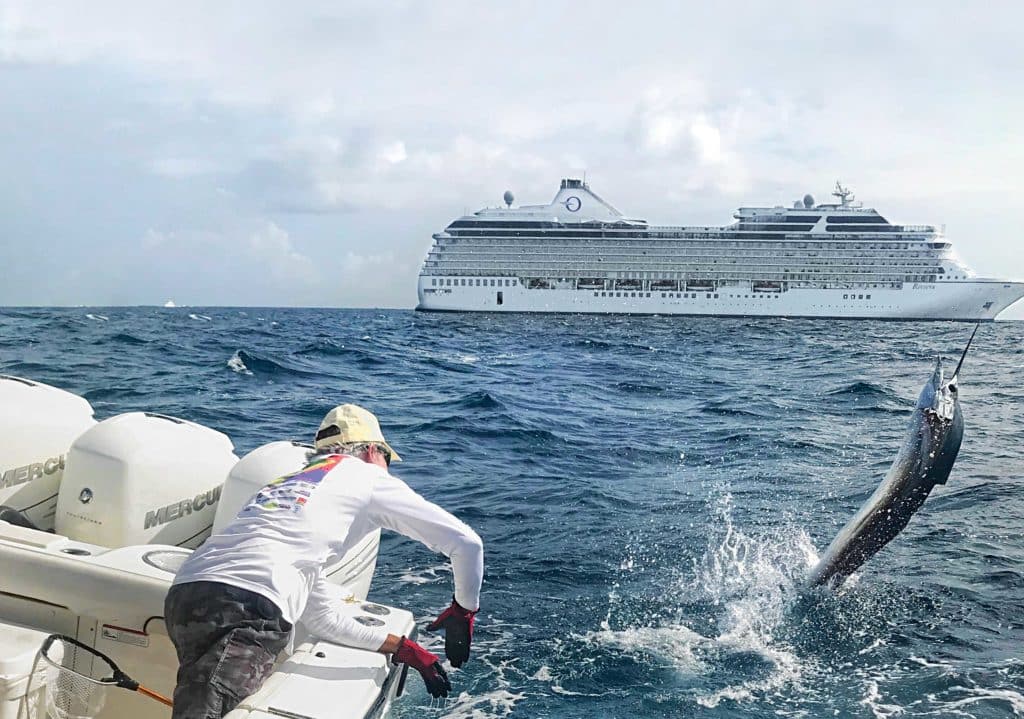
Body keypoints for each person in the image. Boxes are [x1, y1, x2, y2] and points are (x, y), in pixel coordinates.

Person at [164, 404, 484, 719]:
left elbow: (322, 620)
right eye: (387, 458)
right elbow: (467, 544)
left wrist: (403, 648)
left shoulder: (292, 484)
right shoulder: (369, 476)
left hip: (187, 593)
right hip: (248, 606)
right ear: (373, 451)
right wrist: (463, 611)